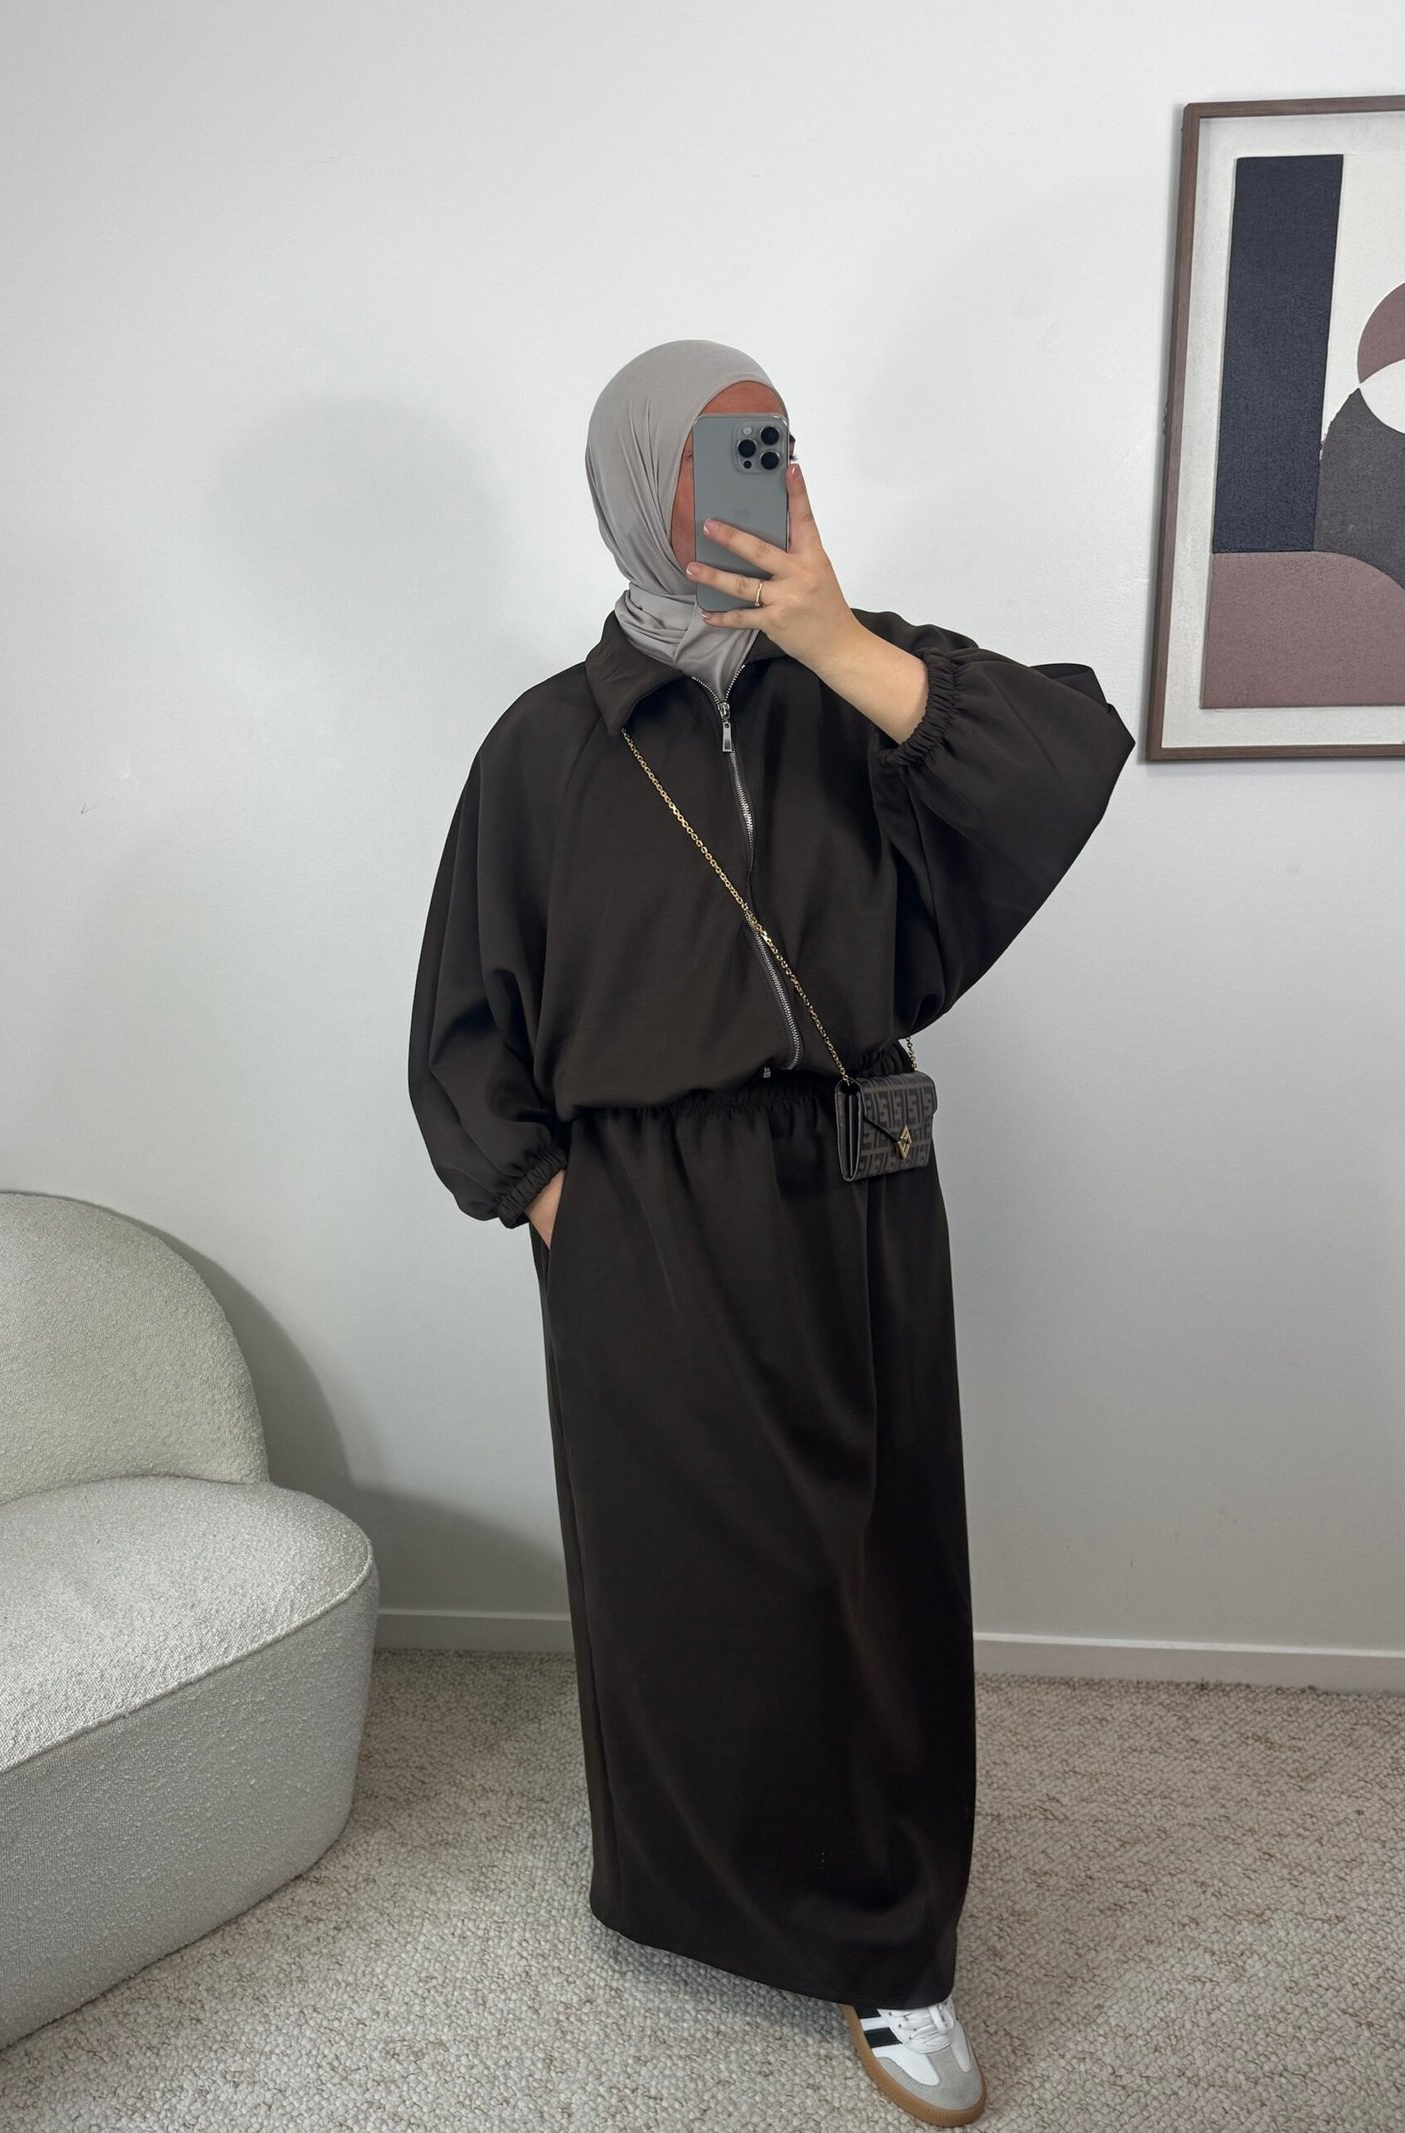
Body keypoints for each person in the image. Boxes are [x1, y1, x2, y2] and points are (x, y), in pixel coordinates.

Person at [407, 338, 1135, 2126]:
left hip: (851, 1188)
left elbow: (1063, 760)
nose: (765, 477)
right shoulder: (544, 747)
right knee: (681, 1581)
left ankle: (895, 1943)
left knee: (871, 1571)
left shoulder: (867, 687)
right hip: (641, 1218)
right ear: (632, 482)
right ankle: (697, 1890)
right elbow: (464, 1023)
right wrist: (555, 1198)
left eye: (776, 443)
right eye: (719, 451)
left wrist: (829, 633)